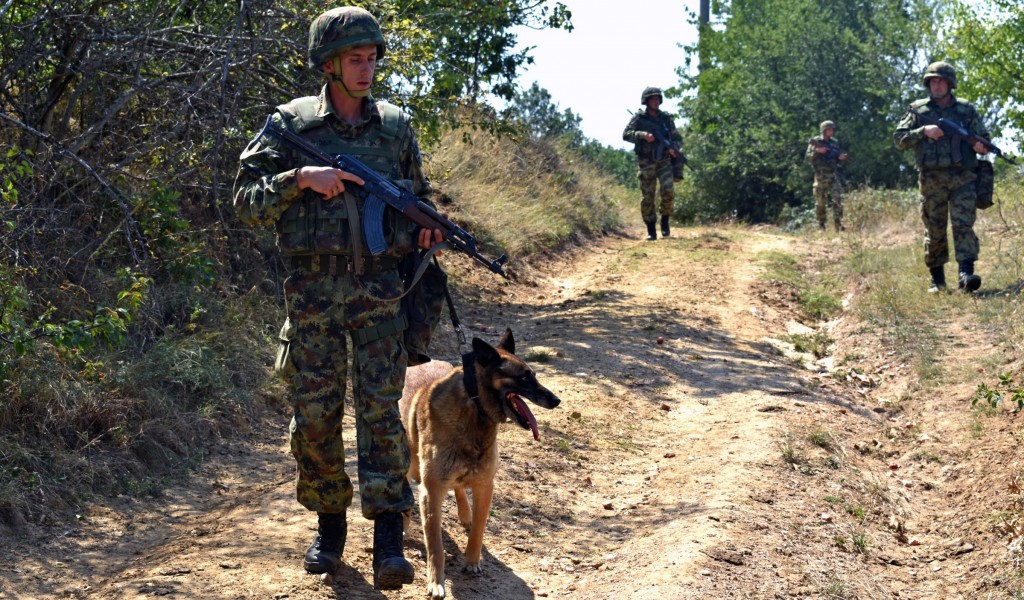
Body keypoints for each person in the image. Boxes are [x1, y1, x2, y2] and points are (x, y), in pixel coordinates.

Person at [233, 6, 442, 589]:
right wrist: (301, 178)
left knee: (382, 414)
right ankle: (329, 529)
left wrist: (426, 230)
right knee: (316, 416)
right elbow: (244, 200)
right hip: (313, 296)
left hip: (379, 293)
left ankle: (389, 539)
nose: (366, 69)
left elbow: (417, 199)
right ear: (328, 64)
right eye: (355, 59)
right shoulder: (291, 124)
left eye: (372, 58)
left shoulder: (395, 128)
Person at [894, 61, 990, 293]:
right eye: (933, 81)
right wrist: (923, 131)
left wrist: (980, 146)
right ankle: (937, 280)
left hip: (963, 178)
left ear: (950, 84)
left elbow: (983, 138)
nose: (936, 85)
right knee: (935, 227)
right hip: (931, 179)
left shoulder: (966, 110)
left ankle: (965, 275)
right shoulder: (918, 110)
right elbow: (899, 139)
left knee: (963, 225)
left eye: (940, 81)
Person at [623, 86, 684, 240]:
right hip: (646, 162)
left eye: (658, 99)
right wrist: (642, 135)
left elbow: (677, 138)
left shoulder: (666, 118)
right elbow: (626, 134)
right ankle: (651, 229)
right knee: (647, 196)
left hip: (664, 160)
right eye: (653, 99)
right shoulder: (639, 118)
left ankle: (665, 221)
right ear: (646, 101)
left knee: (668, 191)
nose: (656, 101)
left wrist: (674, 149)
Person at [805, 120, 848, 231]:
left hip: (833, 176)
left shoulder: (834, 142)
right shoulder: (816, 141)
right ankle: (821, 225)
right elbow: (808, 158)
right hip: (820, 177)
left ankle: (838, 224)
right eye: (829, 129)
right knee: (820, 202)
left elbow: (837, 158)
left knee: (837, 199)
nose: (831, 131)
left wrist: (840, 158)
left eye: (832, 129)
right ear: (824, 130)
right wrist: (817, 151)